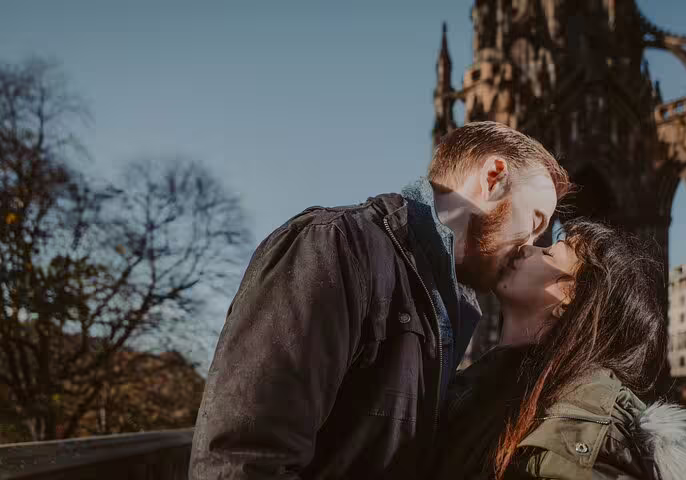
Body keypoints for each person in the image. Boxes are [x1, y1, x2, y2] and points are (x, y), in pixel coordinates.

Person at [188, 121, 571, 479]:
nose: (530, 246)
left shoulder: (446, 299)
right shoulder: (335, 245)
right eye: (536, 221)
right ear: (493, 177)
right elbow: (243, 459)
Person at [431, 220, 686, 480]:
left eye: (548, 253)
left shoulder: (595, 441)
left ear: (568, 302)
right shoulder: (468, 388)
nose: (527, 248)